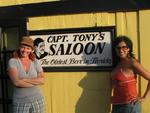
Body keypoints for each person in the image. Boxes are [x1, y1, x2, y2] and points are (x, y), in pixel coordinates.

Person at [111, 35, 150, 113]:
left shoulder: (132, 63)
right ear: (115, 49)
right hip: (116, 106)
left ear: (128, 49)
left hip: (130, 106)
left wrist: (144, 97)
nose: (121, 50)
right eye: (118, 48)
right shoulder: (118, 64)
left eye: (124, 47)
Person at [7, 36, 46, 113]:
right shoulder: (13, 61)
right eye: (23, 47)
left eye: (28, 48)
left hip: (38, 99)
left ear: (31, 50)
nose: (25, 50)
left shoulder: (35, 62)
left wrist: (25, 80)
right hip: (20, 102)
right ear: (19, 48)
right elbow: (16, 82)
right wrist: (35, 81)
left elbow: (42, 80)